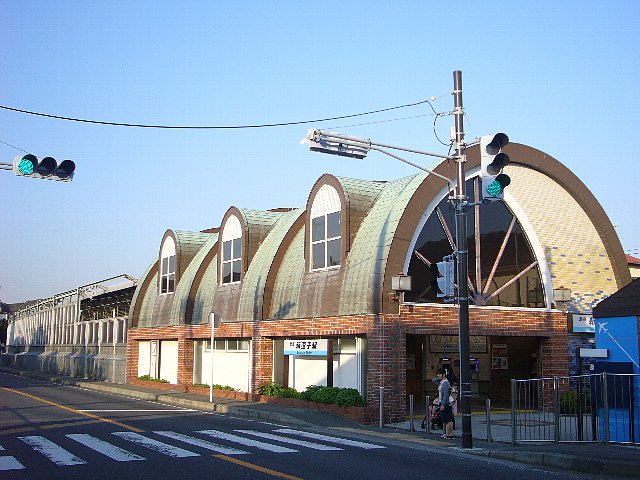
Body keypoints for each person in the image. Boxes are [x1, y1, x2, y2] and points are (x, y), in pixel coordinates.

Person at [436, 367, 455, 439]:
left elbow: (446, 395)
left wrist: (443, 404)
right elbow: (433, 380)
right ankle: (448, 434)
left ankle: (449, 434)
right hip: (443, 402)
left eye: (439, 374)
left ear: (443, 374)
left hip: (445, 403)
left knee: (447, 420)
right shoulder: (442, 382)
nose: (438, 376)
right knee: (445, 419)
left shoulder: (446, 383)